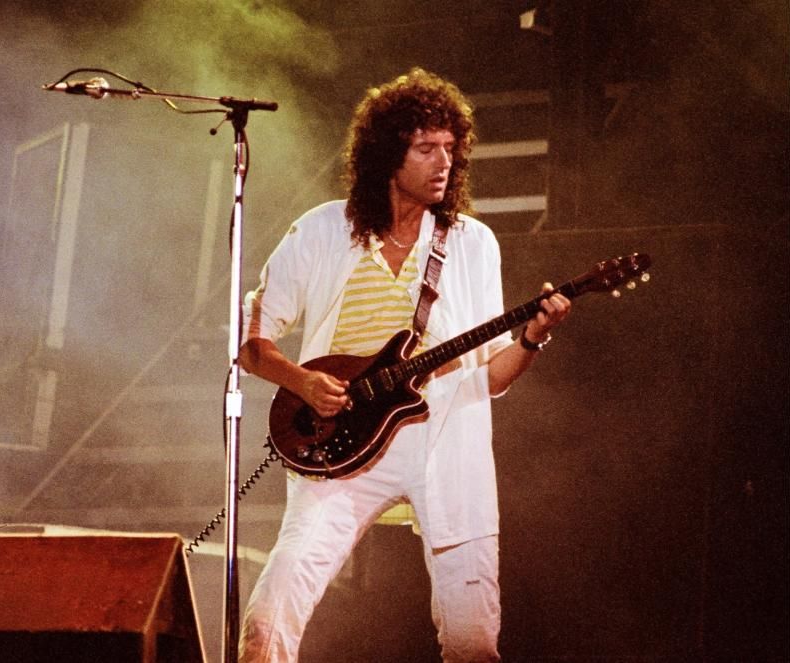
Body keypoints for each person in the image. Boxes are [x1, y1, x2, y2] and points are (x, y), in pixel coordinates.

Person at [238, 68, 571, 662]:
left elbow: (491, 378)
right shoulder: (322, 229)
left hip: (445, 443)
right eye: (425, 148)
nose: (444, 162)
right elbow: (250, 341)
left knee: (473, 642)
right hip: (340, 441)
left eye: (450, 148)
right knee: (268, 621)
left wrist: (532, 339)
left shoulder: (472, 243)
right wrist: (303, 382)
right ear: (386, 156)